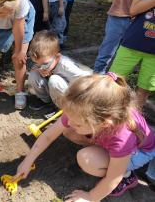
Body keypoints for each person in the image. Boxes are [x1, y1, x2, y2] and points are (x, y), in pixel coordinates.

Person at [13, 73, 155, 201]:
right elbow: (49, 136)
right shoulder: (81, 109)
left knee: (87, 159)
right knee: (68, 132)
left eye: (77, 123)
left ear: (104, 123)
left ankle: (128, 177)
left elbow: (113, 178)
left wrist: (90, 196)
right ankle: (103, 150)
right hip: (109, 138)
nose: (69, 122)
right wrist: (27, 161)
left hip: (139, 152)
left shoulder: (122, 137)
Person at [27, 30, 90, 118]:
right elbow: (36, 68)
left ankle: (62, 109)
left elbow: (88, 82)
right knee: (33, 75)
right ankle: (45, 100)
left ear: (57, 57)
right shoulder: (44, 62)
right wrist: (38, 68)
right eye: (36, 63)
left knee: (54, 80)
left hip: (69, 96)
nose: (41, 67)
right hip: (55, 91)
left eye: (45, 64)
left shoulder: (67, 67)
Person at [109, 0, 155, 110]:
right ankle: (107, 108)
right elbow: (133, 10)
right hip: (132, 44)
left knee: (145, 87)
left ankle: (135, 116)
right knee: (113, 80)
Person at [93, 0, 133, 74]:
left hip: (137, 18)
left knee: (129, 56)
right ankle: (97, 80)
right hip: (117, 16)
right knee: (106, 53)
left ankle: (119, 81)